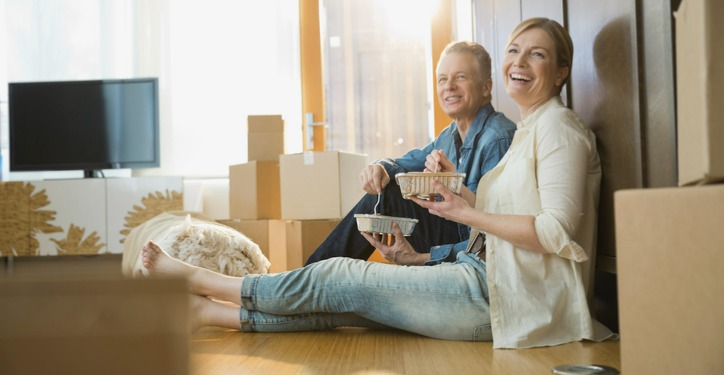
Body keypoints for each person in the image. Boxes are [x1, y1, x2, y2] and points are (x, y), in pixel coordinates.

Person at [140, 18, 614, 349]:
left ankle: (208, 281)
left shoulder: (557, 130)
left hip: (504, 299)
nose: (521, 62)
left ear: (561, 71)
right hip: (490, 281)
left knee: (338, 277)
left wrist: (464, 211)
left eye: (538, 55)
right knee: (354, 301)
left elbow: (555, 232)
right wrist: (422, 247)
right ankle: (208, 313)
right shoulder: (531, 129)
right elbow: (493, 228)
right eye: (515, 50)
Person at [305, 41, 516, 266]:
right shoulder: (449, 136)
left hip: (472, 248)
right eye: (442, 79)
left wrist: (423, 258)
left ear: (486, 87)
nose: (449, 86)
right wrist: (381, 167)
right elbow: (405, 164)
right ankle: (313, 276)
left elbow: (494, 237)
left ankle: (310, 277)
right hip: (455, 236)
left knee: (387, 194)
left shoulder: (498, 138)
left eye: (461, 77)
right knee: (385, 183)